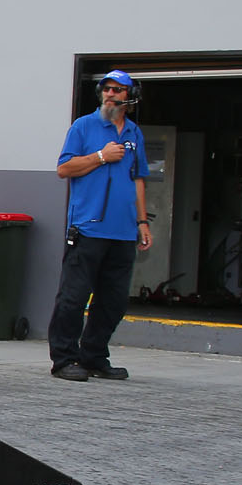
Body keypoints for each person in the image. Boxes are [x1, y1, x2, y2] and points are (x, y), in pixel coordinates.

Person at [48, 69, 152, 381]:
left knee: (114, 301)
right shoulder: (83, 126)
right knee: (73, 297)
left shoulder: (134, 133)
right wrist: (101, 156)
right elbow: (64, 168)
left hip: (123, 232)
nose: (110, 94)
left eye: (118, 90)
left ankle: (94, 356)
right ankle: (64, 359)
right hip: (88, 229)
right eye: (106, 88)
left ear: (130, 97)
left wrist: (142, 222)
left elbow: (138, 179)